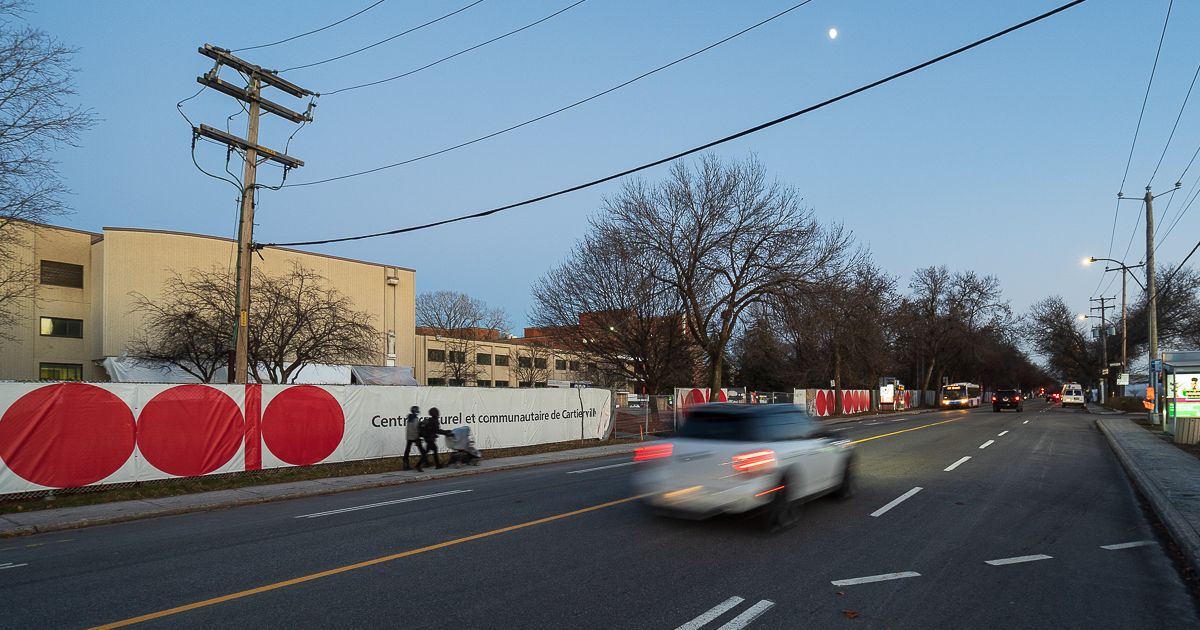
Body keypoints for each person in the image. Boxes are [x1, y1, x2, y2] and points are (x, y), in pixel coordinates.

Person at [403, 405, 424, 471]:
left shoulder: (409, 418)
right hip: (414, 437)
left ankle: (406, 464)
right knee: (423, 452)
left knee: (407, 451)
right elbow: (416, 429)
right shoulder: (415, 419)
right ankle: (419, 465)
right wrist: (418, 437)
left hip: (409, 437)